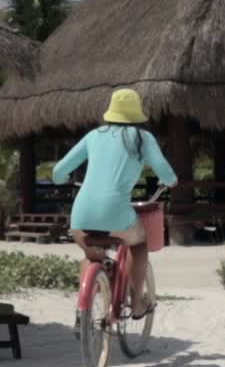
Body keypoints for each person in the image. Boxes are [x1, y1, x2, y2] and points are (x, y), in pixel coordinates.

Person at [52, 88, 178, 318]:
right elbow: (165, 171)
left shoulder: (94, 135)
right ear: (137, 113)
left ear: (111, 111)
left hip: (81, 215)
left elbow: (58, 171)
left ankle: (84, 312)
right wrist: (170, 182)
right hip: (116, 213)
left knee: (91, 255)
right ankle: (137, 303)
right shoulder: (142, 138)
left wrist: (63, 179)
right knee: (139, 244)